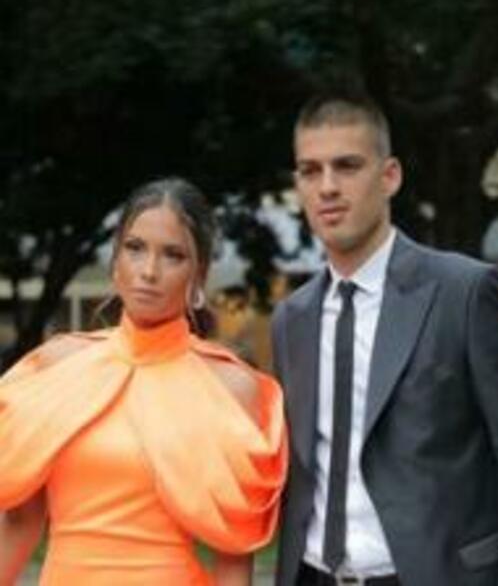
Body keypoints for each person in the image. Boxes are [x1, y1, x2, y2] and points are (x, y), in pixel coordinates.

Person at [271, 92, 498, 586]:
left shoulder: (466, 293)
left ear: (390, 176)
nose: (328, 187)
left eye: (347, 166)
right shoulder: (291, 320)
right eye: (310, 171)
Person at [0, 178, 288, 585]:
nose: (149, 271)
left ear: (198, 276)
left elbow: (234, 558)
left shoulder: (230, 388)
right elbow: (19, 522)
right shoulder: (55, 367)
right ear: (116, 262)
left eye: (173, 255)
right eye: (135, 248)